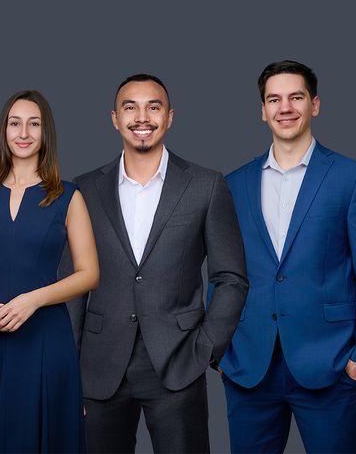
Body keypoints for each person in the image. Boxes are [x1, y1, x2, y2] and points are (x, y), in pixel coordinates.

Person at [221, 60, 356, 453]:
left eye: (296, 97)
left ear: (315, 105)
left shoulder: (351, 178)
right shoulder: (233, 184)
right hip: (250, 368)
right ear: (261, 111)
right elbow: (224, 273)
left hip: (331, 364)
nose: (285, 108)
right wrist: (220, 354)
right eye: (274, 99)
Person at [73, 73, 248, 453]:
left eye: (154, 106)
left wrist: (206, 348)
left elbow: (231, 277)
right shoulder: (84, 190)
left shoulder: (207, 185)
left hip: (178, 362)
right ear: (114, 118)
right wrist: (67, 369)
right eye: (130, 107)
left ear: (169, 117)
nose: (142, 117)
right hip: (98, 367)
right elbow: (71, 283)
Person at [0, 90, 95, 452]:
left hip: (45, 340)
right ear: (4, 132)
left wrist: (33, 300)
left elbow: (89, 273)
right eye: (15, 123)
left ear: (46, 133)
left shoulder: (68, 196)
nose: (24, 132)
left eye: (35, 124)